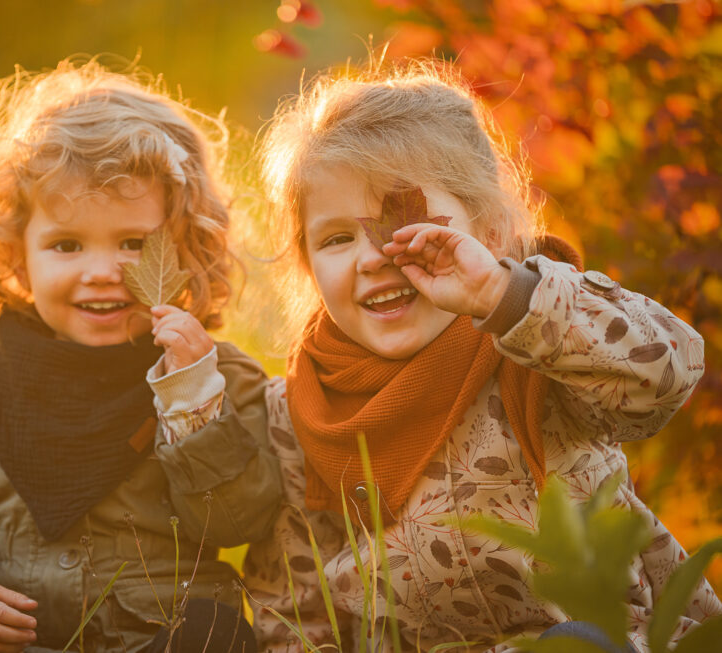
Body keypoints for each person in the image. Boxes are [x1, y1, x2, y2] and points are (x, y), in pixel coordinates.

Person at [242, 61, 722, 652]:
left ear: (490, 232)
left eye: (402, 221)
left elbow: (665, 374)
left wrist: (503, 295)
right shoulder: (305, 409)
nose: (371, 257)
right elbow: (292, 605)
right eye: (337, 238)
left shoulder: (536, 337)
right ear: (307, 263)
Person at [0, 58, 278, 653]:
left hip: (154, 635)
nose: (102, 273)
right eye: (67, 245)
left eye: (134, 244)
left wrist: (194, 399)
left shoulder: (211, 375)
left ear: (186, 250)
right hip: (18, 641)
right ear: (18, 256)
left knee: (215, 635)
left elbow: (238, 522)